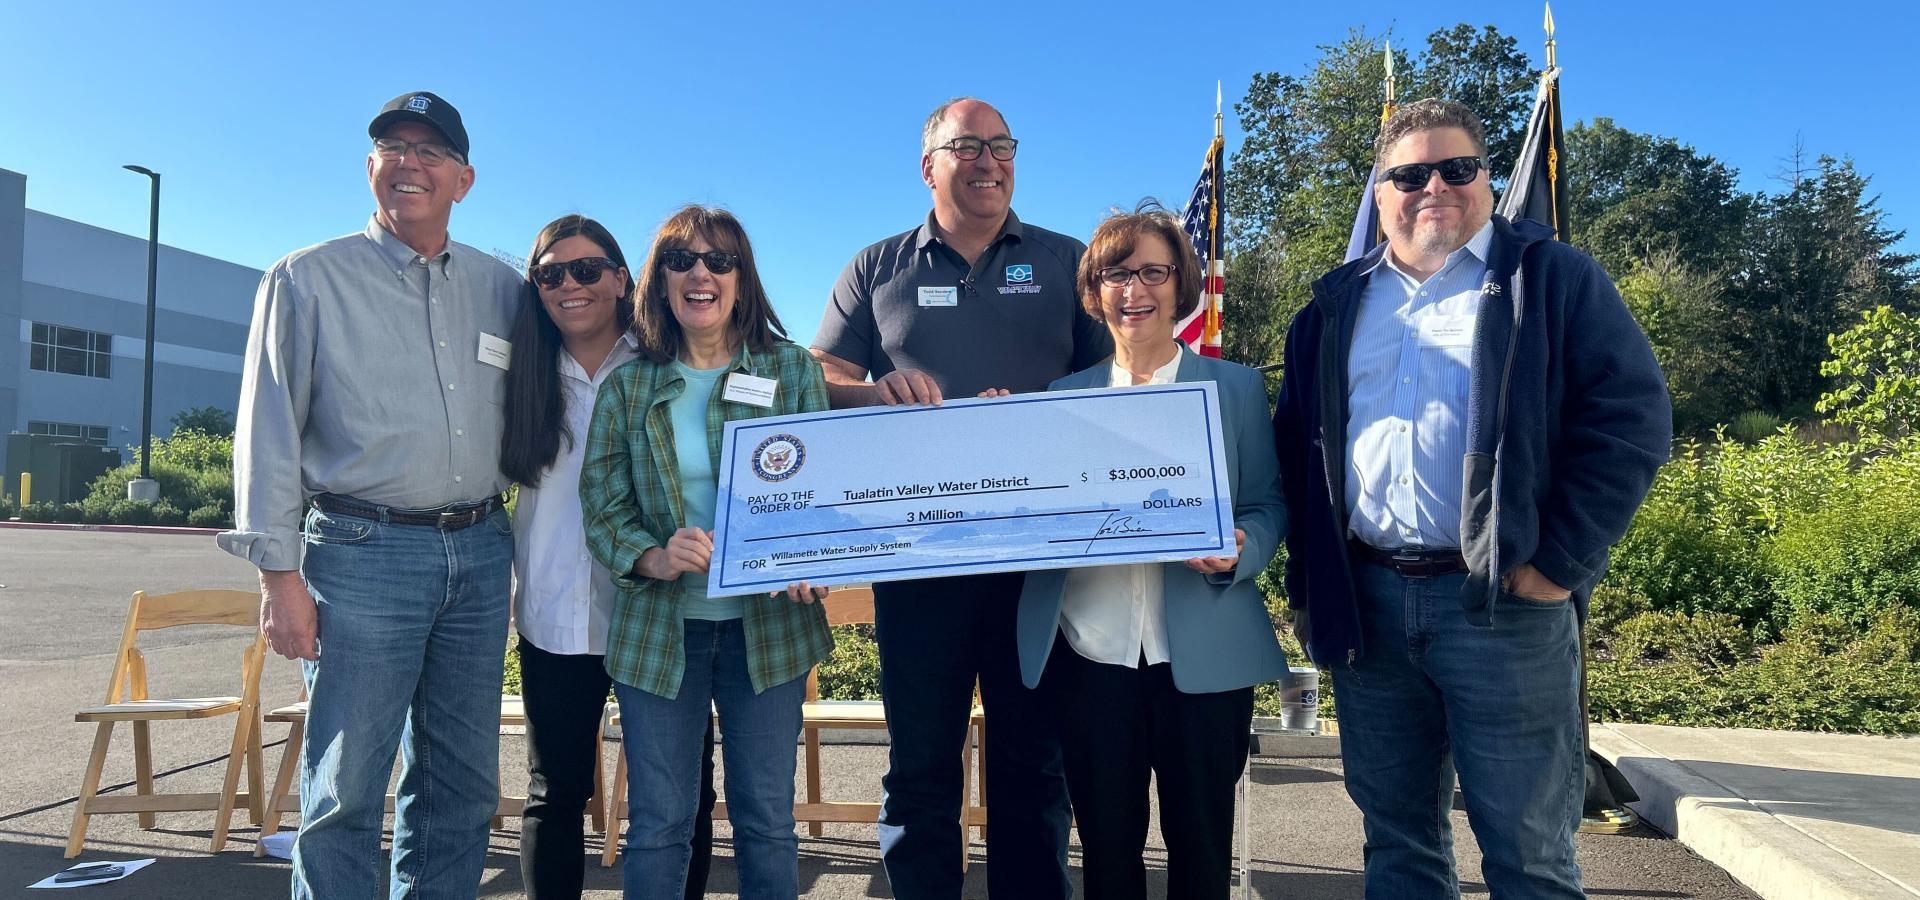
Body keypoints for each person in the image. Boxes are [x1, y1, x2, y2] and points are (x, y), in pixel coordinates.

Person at [1272, 98, 1672, 899]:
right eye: (1410, 174)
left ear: (1487, 179)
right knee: (1397, 844)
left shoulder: (1550, 279)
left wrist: (1556, 566)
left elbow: (1632, 423)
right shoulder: (1332, 307)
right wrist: (1311, 586)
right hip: (1369, 605)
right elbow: (1296, 450)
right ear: (1379, 192)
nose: (1435, 188)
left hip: (1503, 605)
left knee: (1528, 855)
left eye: (1457, 169)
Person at [219, 91, 523, 899]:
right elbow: (268, 433)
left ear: (464, 178)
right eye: (394, 147)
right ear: (369, 168)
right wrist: (278, 579)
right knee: (346, 787)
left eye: (430, 151)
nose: (409, 163)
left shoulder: (503, 288)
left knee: (461, 787)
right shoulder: (307, 279)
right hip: (361, 554)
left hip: (483, 550)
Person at [809, 96, 1109, 899]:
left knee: (1033, 768)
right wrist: (879, 392)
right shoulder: (877, 268)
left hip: (1037, 566)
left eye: (1002, 145)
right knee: (921, 773)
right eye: (968, 146)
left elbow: (1121, 382)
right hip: (919, 565)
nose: (988, 161)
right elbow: (818, 375)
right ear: (928, 166)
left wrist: (1047, 409)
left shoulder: (1064, 261)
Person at [1014, 206, 1287, 900]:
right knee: (1107, 852)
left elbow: (1266, 505)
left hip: (1201, 658)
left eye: (1152, 272)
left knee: (1201, 852)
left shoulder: (1235, 389)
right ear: (1093, 291)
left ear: (1180, 284)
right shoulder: (1060, 400)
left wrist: (1243, 548)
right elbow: (1031, 510)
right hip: (1090, 654)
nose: (1134, 290)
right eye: (1116, 274)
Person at [580, 205, 833, 900]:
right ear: (660, 280)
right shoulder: (628, 385)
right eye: (682, 260)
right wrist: (653, 555)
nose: (701, 273)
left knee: (766, 821)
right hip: (660, 636)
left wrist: (809, 559)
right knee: (660, 822)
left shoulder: (789, 371)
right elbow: (601, 505)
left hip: (769, 633)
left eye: (719, 261)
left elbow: (822, 494)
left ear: (742, 280)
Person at [499, 214, 718, 899]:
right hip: (555, 616)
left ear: (623, 280)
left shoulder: (665, 361)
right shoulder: (518, 371)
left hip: (659, 608)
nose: (571, 285)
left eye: (588, 269)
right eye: (551, 274)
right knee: (555, 791)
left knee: (681, 796)